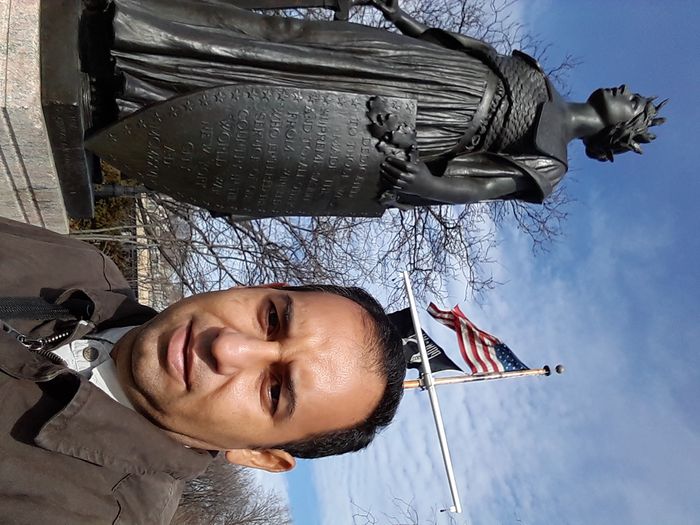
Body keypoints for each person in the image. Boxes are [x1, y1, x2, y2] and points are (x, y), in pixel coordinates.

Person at [0, 217, 405, 524]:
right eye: (271, 318)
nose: (227, 346)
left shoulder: (87, 514)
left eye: (274, 391)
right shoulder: (80, 266)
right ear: (258, 287)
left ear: (259, 455)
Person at [99, 0, 665, 209]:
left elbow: (482, 187)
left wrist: (429, 184)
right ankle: (141, 26)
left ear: (618, 133)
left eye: (634, 102)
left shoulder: (552, 165)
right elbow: (470, 49)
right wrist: (401, 19)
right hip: (421, 65)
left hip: (428, 117)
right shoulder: (539, 76)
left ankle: (138, 85)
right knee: (290, 42)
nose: (625, 90)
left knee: (285, 93)